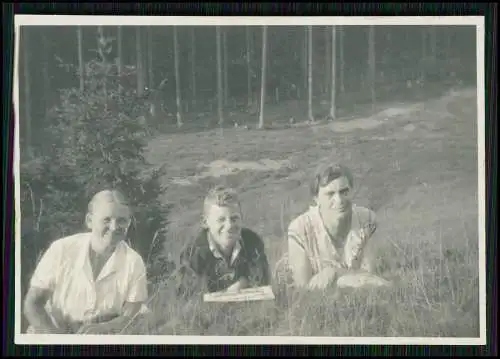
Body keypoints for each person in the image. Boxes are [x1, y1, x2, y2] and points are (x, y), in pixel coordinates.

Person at [23, 189, 150, 334]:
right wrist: (57, 339)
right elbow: (33, 304)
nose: (114, 227)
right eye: (106, 219)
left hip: (103, 337)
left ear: (128, 223)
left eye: (121, 220)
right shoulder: (62, 249)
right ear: (89, 221)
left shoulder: (133, 261)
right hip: (52, 332)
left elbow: (130, 316)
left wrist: (103, 328)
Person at [283, 162, 391, 291]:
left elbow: (370, 277)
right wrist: (348, 278)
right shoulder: (300, 229)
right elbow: (303, 289)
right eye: (330, 194)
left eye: (344, 192)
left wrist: (335, 273)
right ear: (316, 198)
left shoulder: (366, 220)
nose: (339, 200)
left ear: (352, 191)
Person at [179, 185, 271, 295]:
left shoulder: (252, 242)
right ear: (205, 222)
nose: (229, 226)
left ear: (242, 218)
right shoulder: (192, 253)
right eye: (221, 220)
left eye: (234, 218)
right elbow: (187, 296)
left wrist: (245, 282)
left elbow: (263, 281)